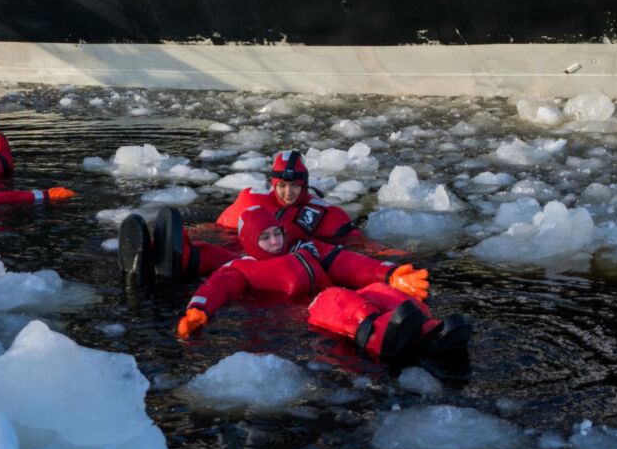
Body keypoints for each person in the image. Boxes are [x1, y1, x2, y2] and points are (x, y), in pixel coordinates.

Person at [173, 205, 470, 361]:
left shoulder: (305, 247)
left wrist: (389, 274)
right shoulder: (241, 268)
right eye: (265, 238)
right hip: (306, 314)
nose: (275, 241)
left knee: (374, 292)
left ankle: (428, 328)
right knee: (334, 298)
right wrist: (199, 310)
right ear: (250, 241)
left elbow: (347, 262)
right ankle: (378, 334)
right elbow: (216, 287)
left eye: (276, 233)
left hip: (339, 298)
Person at [217, 150, 363, 242]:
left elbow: (360, 246)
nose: (288, 192)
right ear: (274, 185)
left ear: (304, 185)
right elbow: (215, 232)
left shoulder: (327, 215)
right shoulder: (250, 201)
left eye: (295, 185)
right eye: (282, 185)